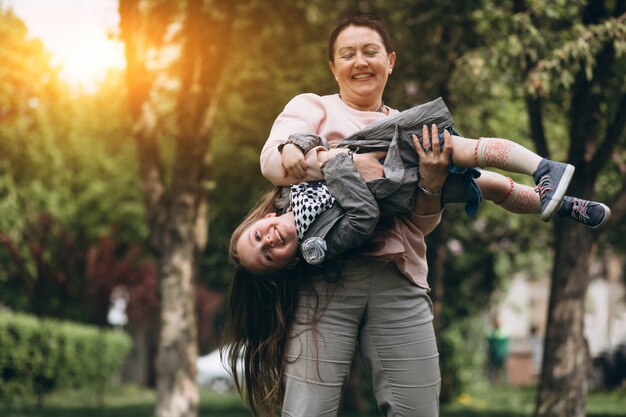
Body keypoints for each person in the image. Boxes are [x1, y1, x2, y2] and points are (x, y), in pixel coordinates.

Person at [222, 13, 598, 417]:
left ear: (390, 61)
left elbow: (420, 224)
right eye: (347, 54)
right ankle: (547, 185)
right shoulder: (311, 107)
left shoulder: (407, 127)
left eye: (370, 51)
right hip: (323, 289)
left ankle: (553, 196)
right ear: (333, 67)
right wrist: (344, 163)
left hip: (398, 278)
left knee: (484, 182)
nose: (360, 62)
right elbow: (275, 160)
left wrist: (429, 185)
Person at [232, 109, 610, 272]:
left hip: (384, 145)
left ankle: (543, 168)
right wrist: (337, 166)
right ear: (288, 262)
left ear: (263, 220)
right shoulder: (320, 246)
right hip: (402, 187)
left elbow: (314, 141)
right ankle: (562, 204)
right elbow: (364, 217)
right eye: (267, 254)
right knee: (491, 186)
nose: (269, 240)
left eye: (258, 236)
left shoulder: (289, 187)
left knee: (461, 147)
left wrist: (293, 144)